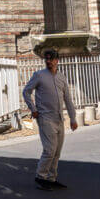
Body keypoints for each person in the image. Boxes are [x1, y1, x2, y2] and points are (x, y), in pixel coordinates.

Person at [22, 48, 78, 190]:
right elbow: (26, 92)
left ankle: (51, 178)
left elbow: (68, 99)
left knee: (57, 151)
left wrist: (73, 118)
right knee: (49, 150)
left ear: (57, 60)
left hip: (59, 119)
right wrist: (33, 109)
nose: (48, 61)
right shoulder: (39, 75)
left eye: (51, 59)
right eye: (46, 59)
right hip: (45, 118)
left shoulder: (61, 77)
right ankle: (41, 177)